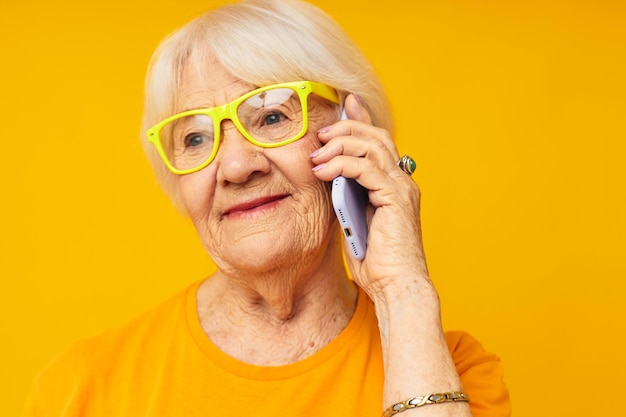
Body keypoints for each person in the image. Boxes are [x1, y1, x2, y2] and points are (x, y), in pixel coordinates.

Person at [21, 0, 510, 416]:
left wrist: (403, 290)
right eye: (195, 137)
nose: (235, 165)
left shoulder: (452, 373)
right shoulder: (80, 391)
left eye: (272, 115)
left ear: (352, 130)